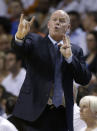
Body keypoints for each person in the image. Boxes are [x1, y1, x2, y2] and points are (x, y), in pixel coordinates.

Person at [11, 10, 91, 131]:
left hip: (62, 114)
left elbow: (85, 79)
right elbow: (19, 48)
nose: (57, 23)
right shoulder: (34, 41)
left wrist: (70, 58)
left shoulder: (75, 50)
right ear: (48, 24)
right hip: (34, 112)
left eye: (62, 21)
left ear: (68, 27)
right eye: (54, 20)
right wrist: (19, 37)